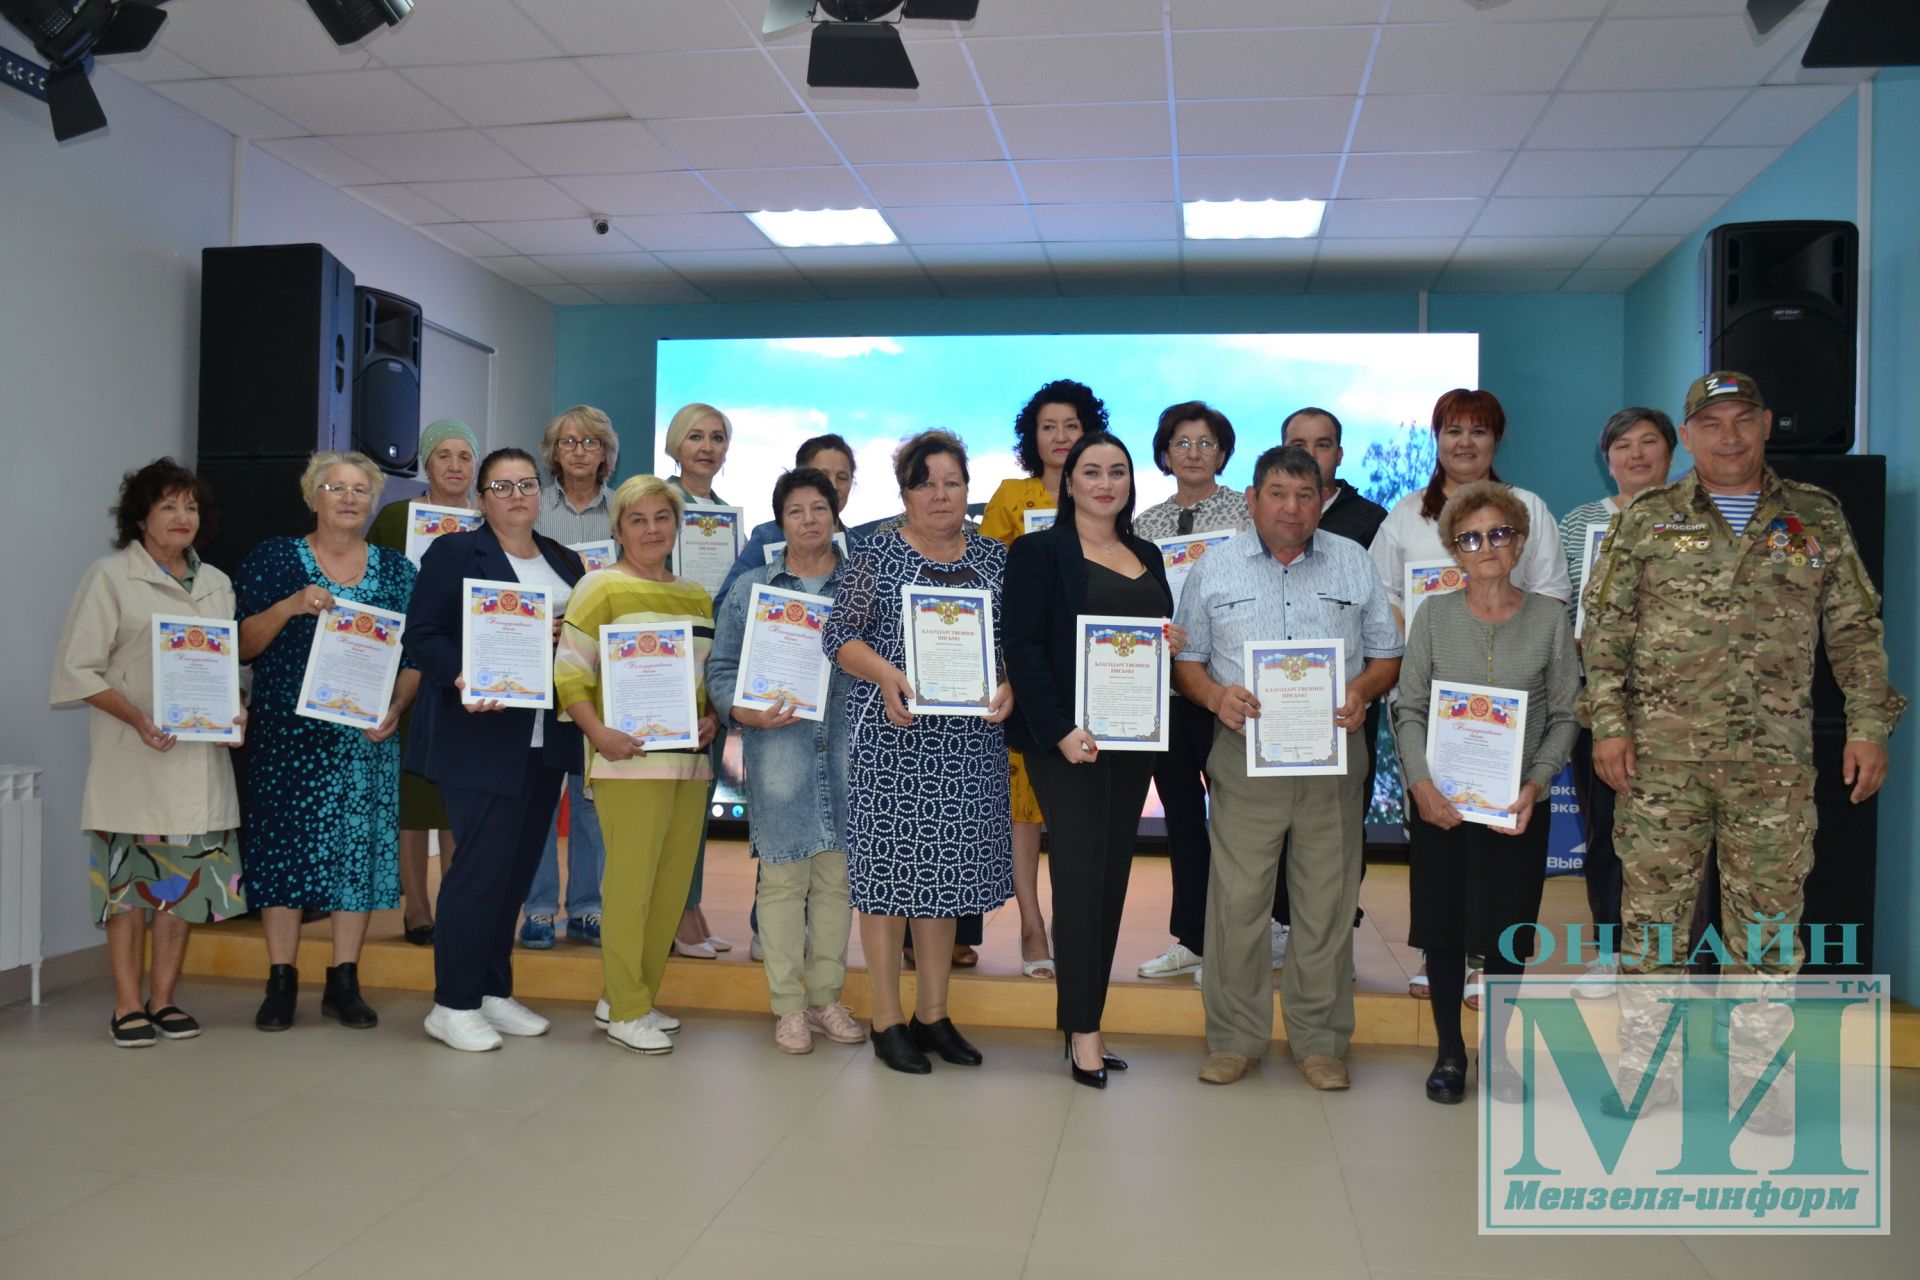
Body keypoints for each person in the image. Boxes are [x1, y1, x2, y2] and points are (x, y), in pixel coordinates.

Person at [1580, 372, 1902, 1127]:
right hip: (1660, 761)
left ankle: (1759, 1086)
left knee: (1765, 930)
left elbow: (1854, 631)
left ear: (1764, 425)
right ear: (1688, 437)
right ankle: (1647, 1076)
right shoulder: (1651, 518)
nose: (1728, 437)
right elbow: (1606, 631)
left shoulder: (1814, 515)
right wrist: (1611, 724)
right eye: (1711, 424)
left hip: (1771, 765)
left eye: (1742, 421)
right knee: (1654, 923)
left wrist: (1868, 726)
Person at [1173, 445, 1403, 1090]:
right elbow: (1186, 662)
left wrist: (1362, 691)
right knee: (1238, 903)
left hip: (1333, 757)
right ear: (1252, 499)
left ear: (1322, 500)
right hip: (1244, 757)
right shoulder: (1214, 569)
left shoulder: (1354, 562)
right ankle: (1234, 1039)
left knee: (1326, 904)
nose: (1292, 508)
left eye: (1306, 495)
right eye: (1277, 493)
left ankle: (1321, 1042)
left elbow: (1387, 654)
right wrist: (1215, 696)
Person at [822, 430, 1015, 1075]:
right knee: (886, 884)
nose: (940, 494)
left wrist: (1010, 680)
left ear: (969, 490)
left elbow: (1015, 644)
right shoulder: (875, 553)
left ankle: (933, 1014)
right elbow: (838, 635)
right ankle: (885, 1018)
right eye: (925, 481)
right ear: (904, 491)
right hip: (893, 737)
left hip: (968, 745)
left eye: (952, 482)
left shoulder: (995, 560)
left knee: (946, 881)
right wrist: (884, 674)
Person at [1369, 387, 1570, 1003]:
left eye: (1478, 431)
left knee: (1500, 851)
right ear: (1437, 439)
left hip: (1514, 706)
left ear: (1496, 441)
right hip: (1431, 702)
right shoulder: (1406, 515)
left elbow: (1550, 597)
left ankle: (1490, 960)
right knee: (1437, 836)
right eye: (1452, 430)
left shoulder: (1530, 507)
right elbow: (1383, 604)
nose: (1465, 442)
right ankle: (1440, 955)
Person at [51, 459, 247, 1046]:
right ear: (140, 518)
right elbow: (76, 669)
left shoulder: (216, 582)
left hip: (197, 764)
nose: (181, 517)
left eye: (189, 506)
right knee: (128, 892)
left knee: (182, 891)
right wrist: (136, 716)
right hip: (133, 761)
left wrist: (236, 707)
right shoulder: (110, 577)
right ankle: (127, 1004)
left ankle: (163, 1000)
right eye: (167, 506)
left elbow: (226, 667)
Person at [1394, 481, 1578, 1104]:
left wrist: (1536, 783)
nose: (1487, 547)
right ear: (1454, 550)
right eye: (1471, 538)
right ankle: (1450, 1054)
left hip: (1515, 809)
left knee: (1507, 933)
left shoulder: (1551, 620)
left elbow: (1565, 716)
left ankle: (1496, 1054)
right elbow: (1410, 707)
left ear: (1520, 541)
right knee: (1442, 928)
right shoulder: (1435, 616)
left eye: (1500, 534)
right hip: (1441, 805)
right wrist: (1420, 783)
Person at [1005, 433, 1179, 1087]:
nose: (1105, 482)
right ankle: (1083, 1030)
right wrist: (1059, 731)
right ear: (1069, 482)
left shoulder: (1146, 553)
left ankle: (1088, 1017)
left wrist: (1169, 640)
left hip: (1132, 741)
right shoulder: (1039, 552)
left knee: (1110, 880)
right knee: (1078, 881)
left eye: (1117, 472)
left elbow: (1145, 640)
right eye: (1091, 472)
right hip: (1070, 746)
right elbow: (1023, 648)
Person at [405, 448, 586, 1052]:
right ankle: (451, 1003)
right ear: (482, 498)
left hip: (545, 739)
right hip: (479, 735)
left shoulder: (564, 559)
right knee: (479, 870)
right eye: (501, 486)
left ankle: (490, 990)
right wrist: (464, 676)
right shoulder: (455, 552)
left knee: (513, 873)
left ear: (540, 493)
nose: (516, 495)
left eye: (527, 484)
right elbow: (423, 635)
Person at [235, 451, 418, 1032]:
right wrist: (291, 606)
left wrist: (396, 705)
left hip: (364, 738)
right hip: (286, 739)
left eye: (360, 490)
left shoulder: (396, 572)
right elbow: (239, 644)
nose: (347, 498)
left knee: (355, 858)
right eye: (334, 487)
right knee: (282, 854)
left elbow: (416, 656)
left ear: (372, 502)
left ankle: (344, 981)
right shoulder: (273, 559)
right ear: (312, 497)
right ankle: (281, 981)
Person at [555, 474, 721, 1054]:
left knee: (670, 889)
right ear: (618, 528)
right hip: (626, 762)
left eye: (661, 518)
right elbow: (569, 673)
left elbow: (705, 681)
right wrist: (600, 734)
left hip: (688, 766)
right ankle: (628, 1009)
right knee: (628, 887)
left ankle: (629, 996)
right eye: (637, 520)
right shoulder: (598, 587)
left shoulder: (697, 595)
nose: (651, 530)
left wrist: (712, 719)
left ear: (677, 525)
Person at [707, 468, 864, 1053]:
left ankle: (826, 1000)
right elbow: (721, 669)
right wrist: (742, 713)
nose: (809, 521)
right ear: (780, 520)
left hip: (848, 752)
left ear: (835, 514)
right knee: (780, 882)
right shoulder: (752, 590)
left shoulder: (860, 585)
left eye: (819, 508)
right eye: (795, 511)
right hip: (780, 753)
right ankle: (788, 1007)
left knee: (835, 882)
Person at [979, 378, 1106, 979]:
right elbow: (989, 588)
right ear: (1033, 436)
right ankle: (1031, 925)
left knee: (1076, 810)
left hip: (1091, 676)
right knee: (1023, 812)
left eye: (1072, 426)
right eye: (1048, 426)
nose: (1060, 437)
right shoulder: (1011, 496)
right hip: (1023, 673)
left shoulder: (1102, 495)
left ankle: (1069, 923)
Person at [1555, 407, 1675, 1000]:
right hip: (1597, 704)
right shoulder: (1580, 523)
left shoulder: (1692, 521)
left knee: (1680, 835)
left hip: (1681, 707)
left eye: (1648, 443)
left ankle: (1670, 960)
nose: (1635, 455)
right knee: (1606, 830)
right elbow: (1559, 601)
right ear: (1607, 460)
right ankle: (1611, 953)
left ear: (1670, 453)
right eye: (1622, 445)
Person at [1133, 401, 1250, 981]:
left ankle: (1241, 938)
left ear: (1223, 453)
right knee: (1181, 816)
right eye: (1182, 442)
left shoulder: (1244, 513)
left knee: (1237, 818)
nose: (1194, 452)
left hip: (1227, 689)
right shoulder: (1144, 524)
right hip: (1166, 694)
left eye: (1206, 442)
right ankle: (1193, 938)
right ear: (1164, 453)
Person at [1276, 406, 1392, 958]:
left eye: (1321, 444)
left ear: (1339, 456)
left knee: (1341, 829)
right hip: (1270, 710)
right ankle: (1281, 925)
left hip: (1345, 708)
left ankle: (1333, 933)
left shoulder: (1372, 521)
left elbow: (1382, 626)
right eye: (1297, 443)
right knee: (1272, 823)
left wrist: (1363, 690)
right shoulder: (1266, 519)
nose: (1309, 454)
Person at [367, 417, 478, 945]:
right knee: (413, 800)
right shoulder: (395, 518)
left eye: (464, 456)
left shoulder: (489, 521)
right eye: (444, 455)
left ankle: (456, 907)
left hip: (466, 670)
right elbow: (373, 583)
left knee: (458, 797)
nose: (455, 466)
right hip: (405, 667)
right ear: (427, 465)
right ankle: (417, 909)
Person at [521, 405, 622, 951]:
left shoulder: (625, 509)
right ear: (552, 452)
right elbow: (509, 577)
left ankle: (586, 907)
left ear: (607, 451)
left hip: (603, 669)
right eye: (568, 442)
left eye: (591, 442)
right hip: (539, 663)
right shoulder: (531, 506)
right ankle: (537, 908)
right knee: (539, 791)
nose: (580, 450)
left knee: (589, 797)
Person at [663, 402, 734, 959]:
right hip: (665, 662)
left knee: (698, 796)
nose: (706, 447)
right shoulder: (658, 502)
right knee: (670, 797)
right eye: (695, 436)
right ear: (675, 444)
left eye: (716, 437)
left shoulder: (727, 516)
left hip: (712, 663)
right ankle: (673, 914)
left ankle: (689, 906)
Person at [717, 433, 858, 605]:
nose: (833, 485)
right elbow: (729, 603)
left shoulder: (860, 545)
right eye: (823, 475)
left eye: (842, 478)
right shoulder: (768, 536)